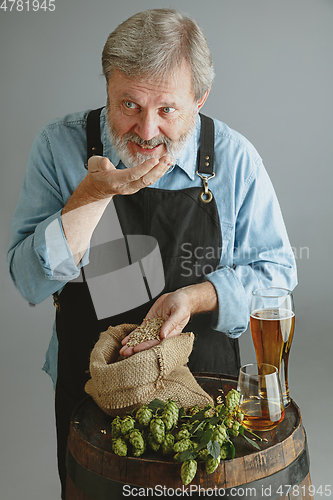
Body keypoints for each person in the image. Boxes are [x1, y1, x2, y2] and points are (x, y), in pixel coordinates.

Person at [7, 8, 297, 497]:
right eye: (128, 104)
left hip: (203, 400)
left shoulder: (234, 160)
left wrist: (198, 296)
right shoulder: (58, 148)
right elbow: (28, 283)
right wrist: (89, 198)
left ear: (199, 100)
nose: (145, 131)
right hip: (93, 397)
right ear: (107, 86)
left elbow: (277, 276)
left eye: (167, 110)